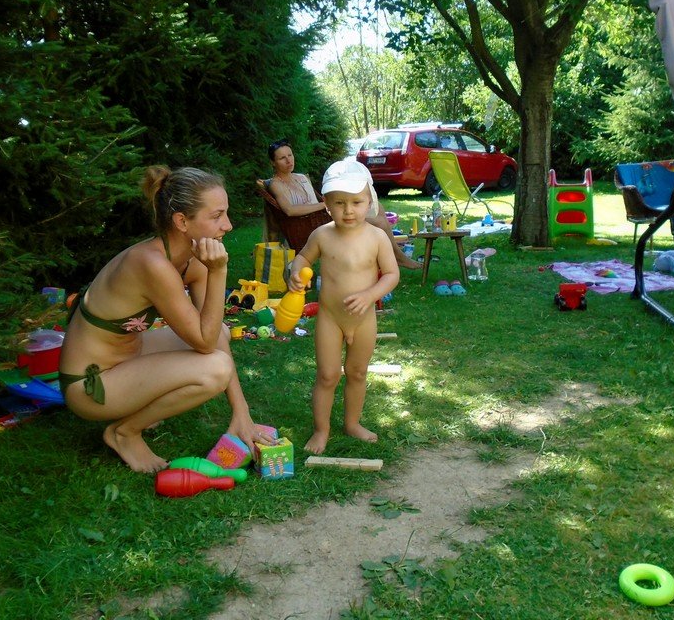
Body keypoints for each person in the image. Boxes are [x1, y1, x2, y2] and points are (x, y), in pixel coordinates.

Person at [58, 166, 272, 473]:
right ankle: (124, 432)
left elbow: (213, 335)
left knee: (222, 335)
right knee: (215, 369)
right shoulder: (151, 263)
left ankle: (136, 409)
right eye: (217, 216)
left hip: (127, 358)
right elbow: (203, 342)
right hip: (90, 385)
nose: (228, 225)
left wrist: (242, 413)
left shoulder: (191, 262)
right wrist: (219, 272)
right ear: (182, 221)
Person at [286, 158, 400, 455]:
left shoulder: (377, 237)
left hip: (363, 319)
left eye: (356, 202)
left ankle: (352, 423)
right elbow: (303, 258)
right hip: (330, 318)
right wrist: (295, 271)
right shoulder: (322, 235)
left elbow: (392, 274)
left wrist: (370, 294)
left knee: (357, 372)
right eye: (339, 203)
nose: (348, 210)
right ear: (326, 204)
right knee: (327, 375)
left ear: (369, 201)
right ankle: (321, 430)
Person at [266, 138, 421, 269]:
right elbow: (289, 210)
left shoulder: (301, 177)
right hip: (312, 223)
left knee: (377, 206)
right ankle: (397, 257)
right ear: (273, 162)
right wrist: (325, 206)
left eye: (290, 155)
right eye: (282, 158)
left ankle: (394, 255)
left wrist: (330, 203)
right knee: (379, 222)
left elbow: (322, 197)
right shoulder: (275, 184)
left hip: (322, 215)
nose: (289, 160)